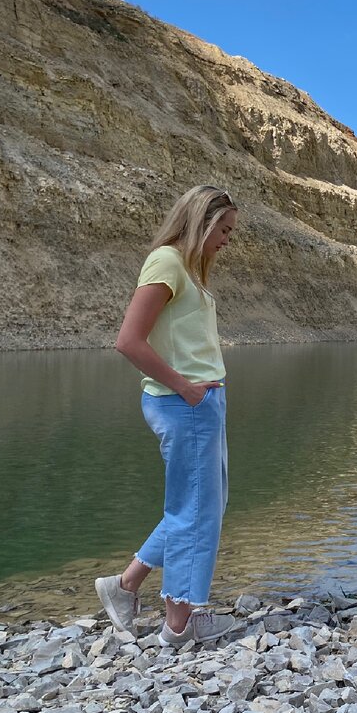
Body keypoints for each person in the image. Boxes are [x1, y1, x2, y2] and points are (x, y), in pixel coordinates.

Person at [94, 185, 240, 646]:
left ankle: (124, 587)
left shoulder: (189, 270)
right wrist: (186, 389)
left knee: (201, 506)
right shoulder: (166, 262)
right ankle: (178, 623)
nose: (227, 239)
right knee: (195, 510)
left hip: (200, 403)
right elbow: (128, 341)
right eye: (224, 229)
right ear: (201, 220)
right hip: (185, 404)